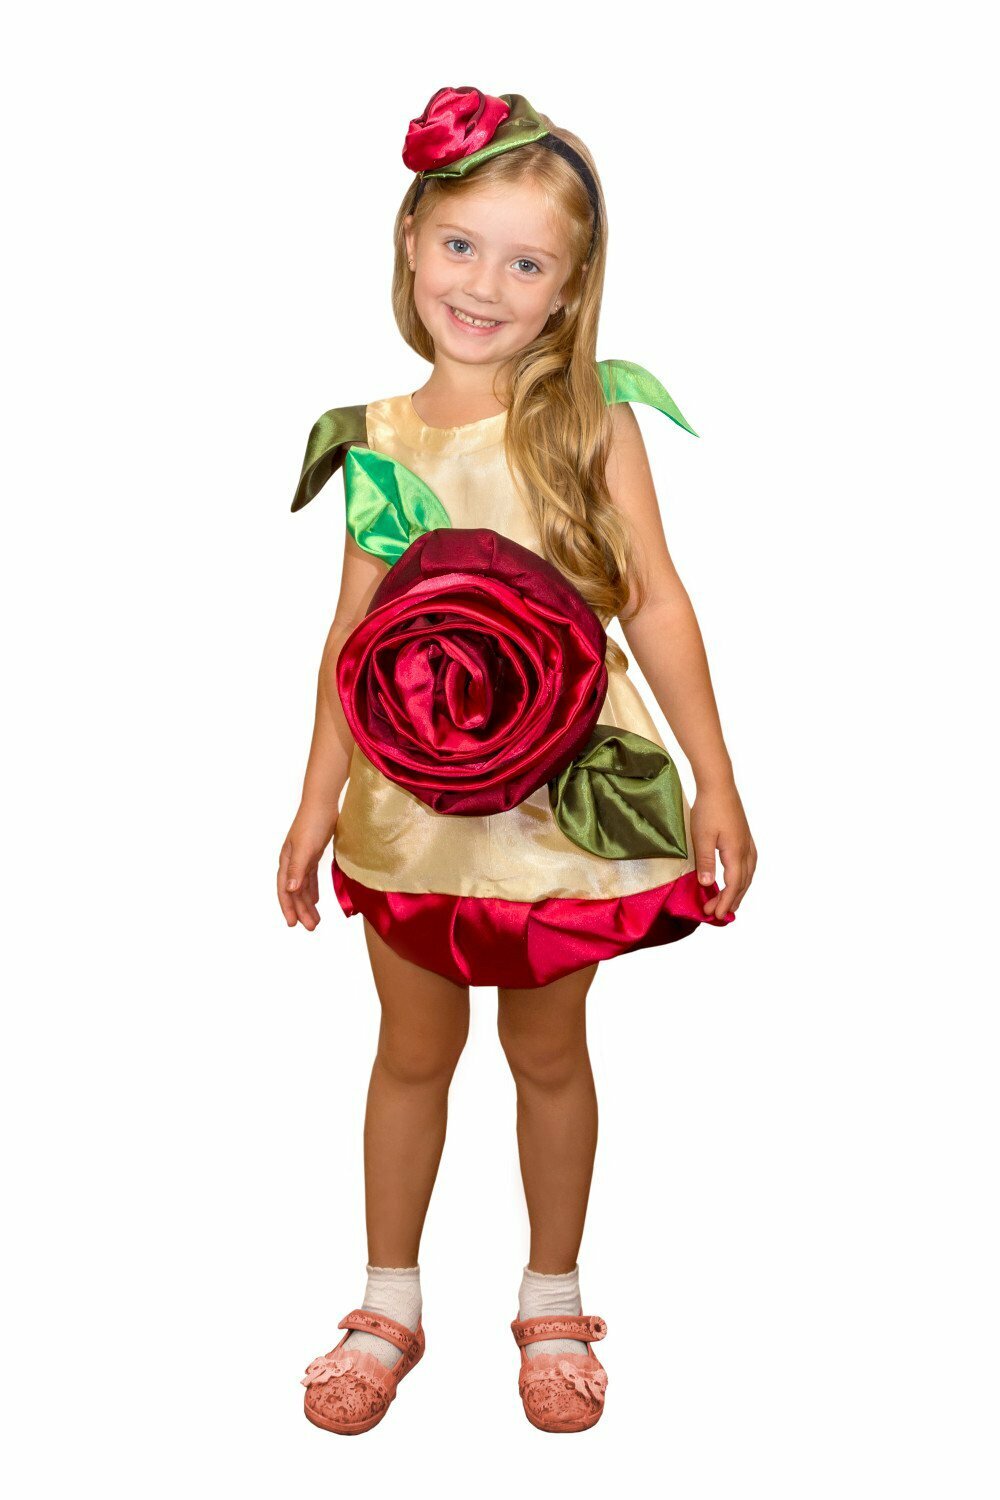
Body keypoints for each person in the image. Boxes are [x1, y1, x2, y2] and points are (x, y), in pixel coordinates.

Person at [278, 86, 756, 1436]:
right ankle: (387, 1303)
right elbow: (354, 638)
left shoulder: (591, 420)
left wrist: (717, 778)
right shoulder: (378, 437)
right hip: (414, 802)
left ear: (571, 287)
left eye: (526, 263)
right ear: (410, 238)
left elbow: (654, 601)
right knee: (410, 1051)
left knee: (549, 1052)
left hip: (560, 813)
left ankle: (554, 1298)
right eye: (460, 246)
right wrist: (313, 804)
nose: (484, 286)